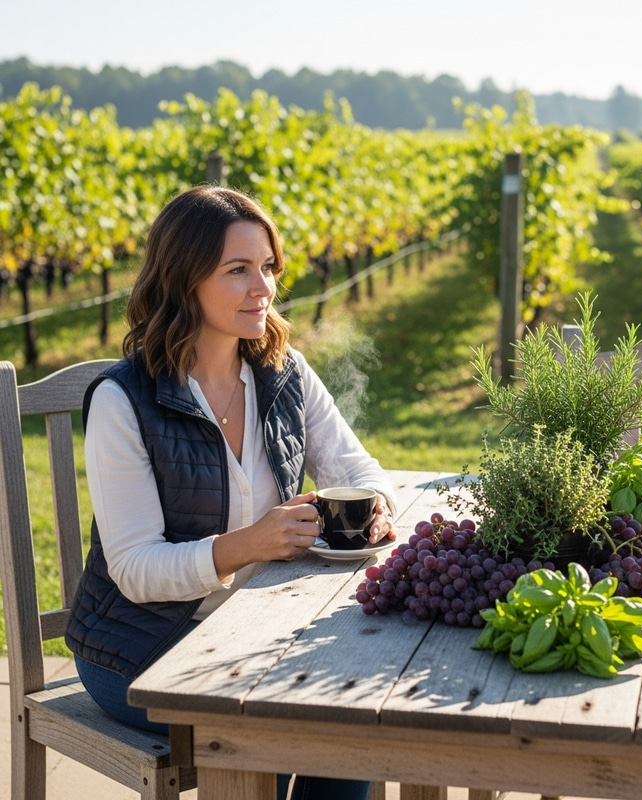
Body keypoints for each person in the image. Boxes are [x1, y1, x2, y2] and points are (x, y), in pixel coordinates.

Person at [65, 185, 397, 800]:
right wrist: (246, 545)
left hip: (259, 632)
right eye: (238, 270)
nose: (263, 288)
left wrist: (374, 508)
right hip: (135, 646)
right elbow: (135, 570)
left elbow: (362, 470)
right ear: (183, 279)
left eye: (268, 267)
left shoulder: (285, 371)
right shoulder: (123, 399)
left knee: (355, 719)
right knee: (272, 730)